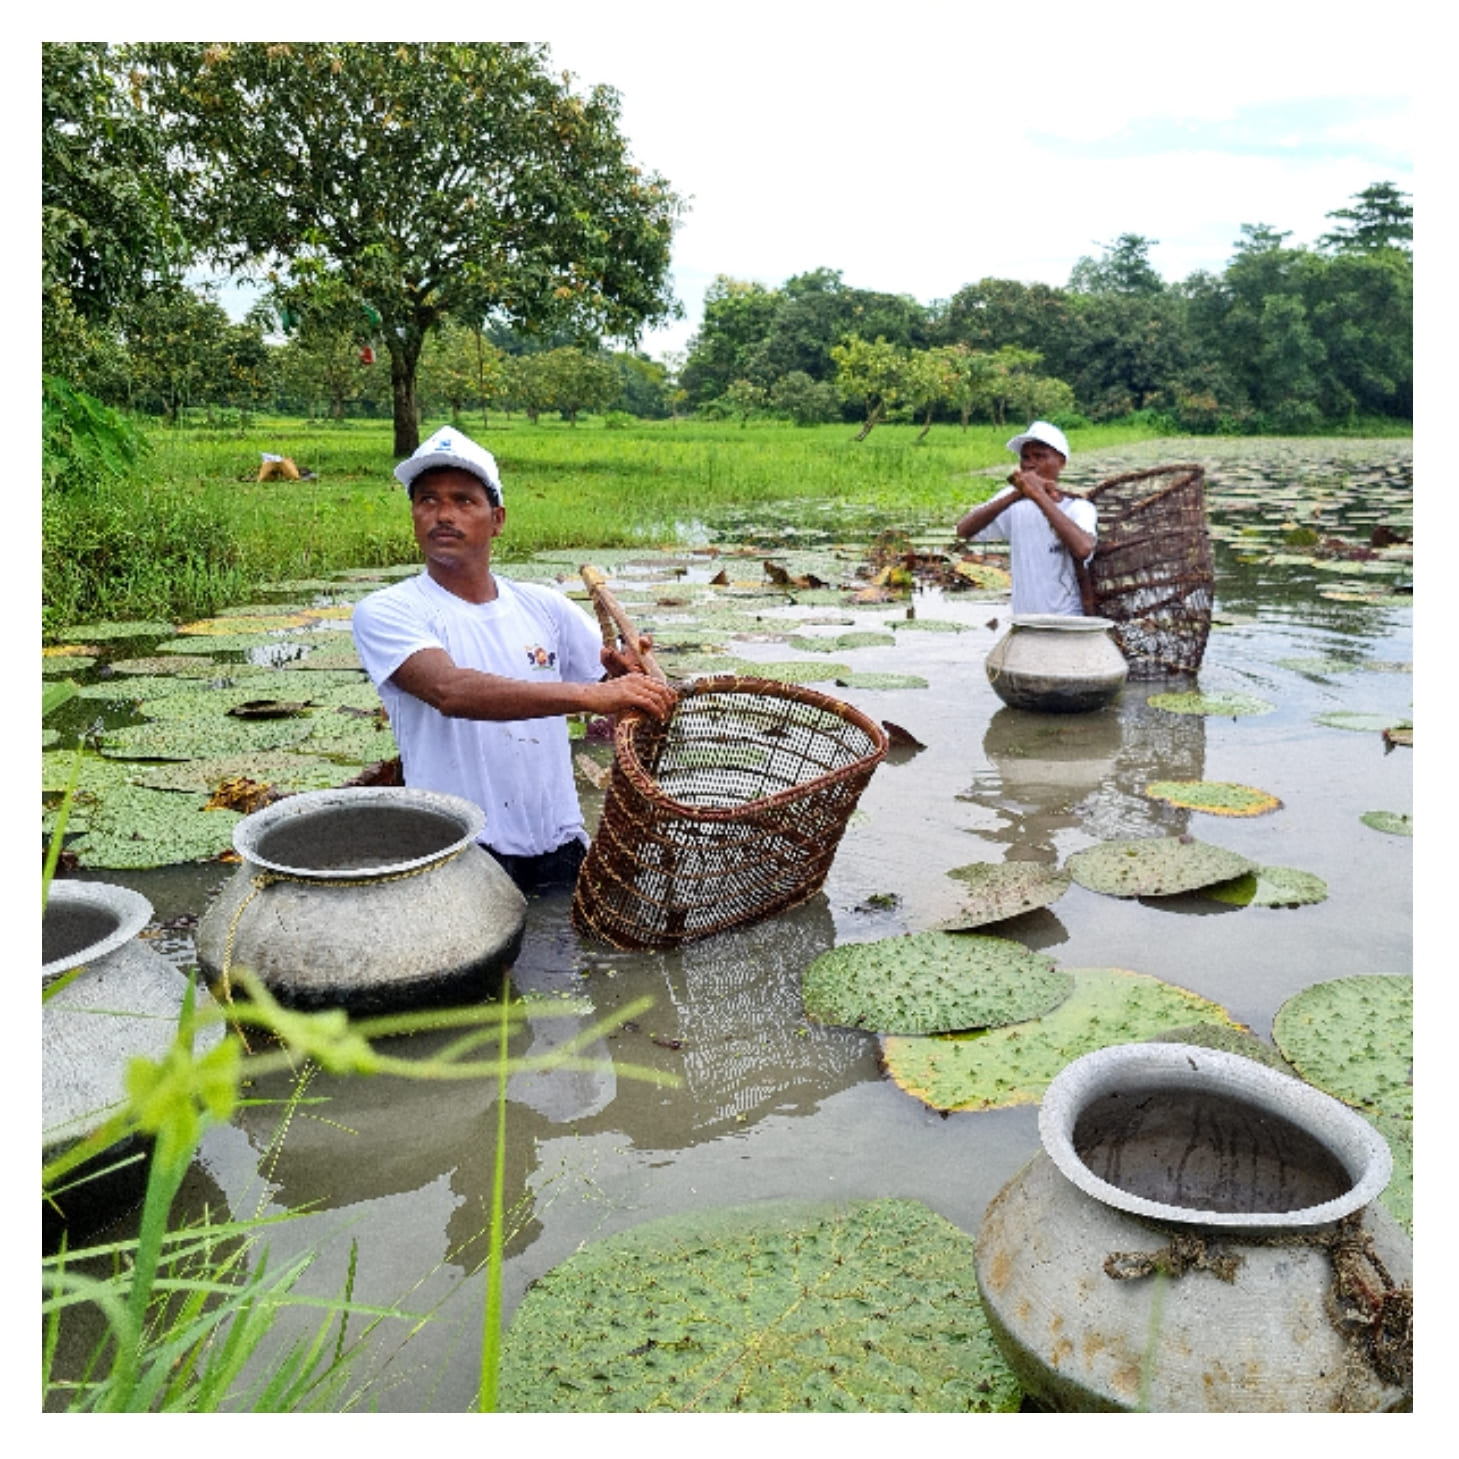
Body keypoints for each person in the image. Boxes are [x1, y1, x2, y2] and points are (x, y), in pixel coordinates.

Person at [351, 427, 678, 894]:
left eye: (464, 501)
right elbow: (450, 691)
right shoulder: (387, 611)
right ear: (413, 514)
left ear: (497, 519)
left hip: (559, 843)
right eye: (427, 500)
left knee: (565, 962)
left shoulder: (545, 607)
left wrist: (627, 675)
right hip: (460, 852)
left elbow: (611, 684)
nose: (443, 515)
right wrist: (594, 694)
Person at [954, 420, 1097, 616]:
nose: (1030, 464)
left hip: (1067, 622)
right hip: (1024, 622)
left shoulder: (1078, 507)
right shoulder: (1014, 504)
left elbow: (1083, 548)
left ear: (1061, 462)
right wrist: (1017, 494)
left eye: (1039, 456)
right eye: (1025, 457)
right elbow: (963, 531)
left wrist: (1039, 495)